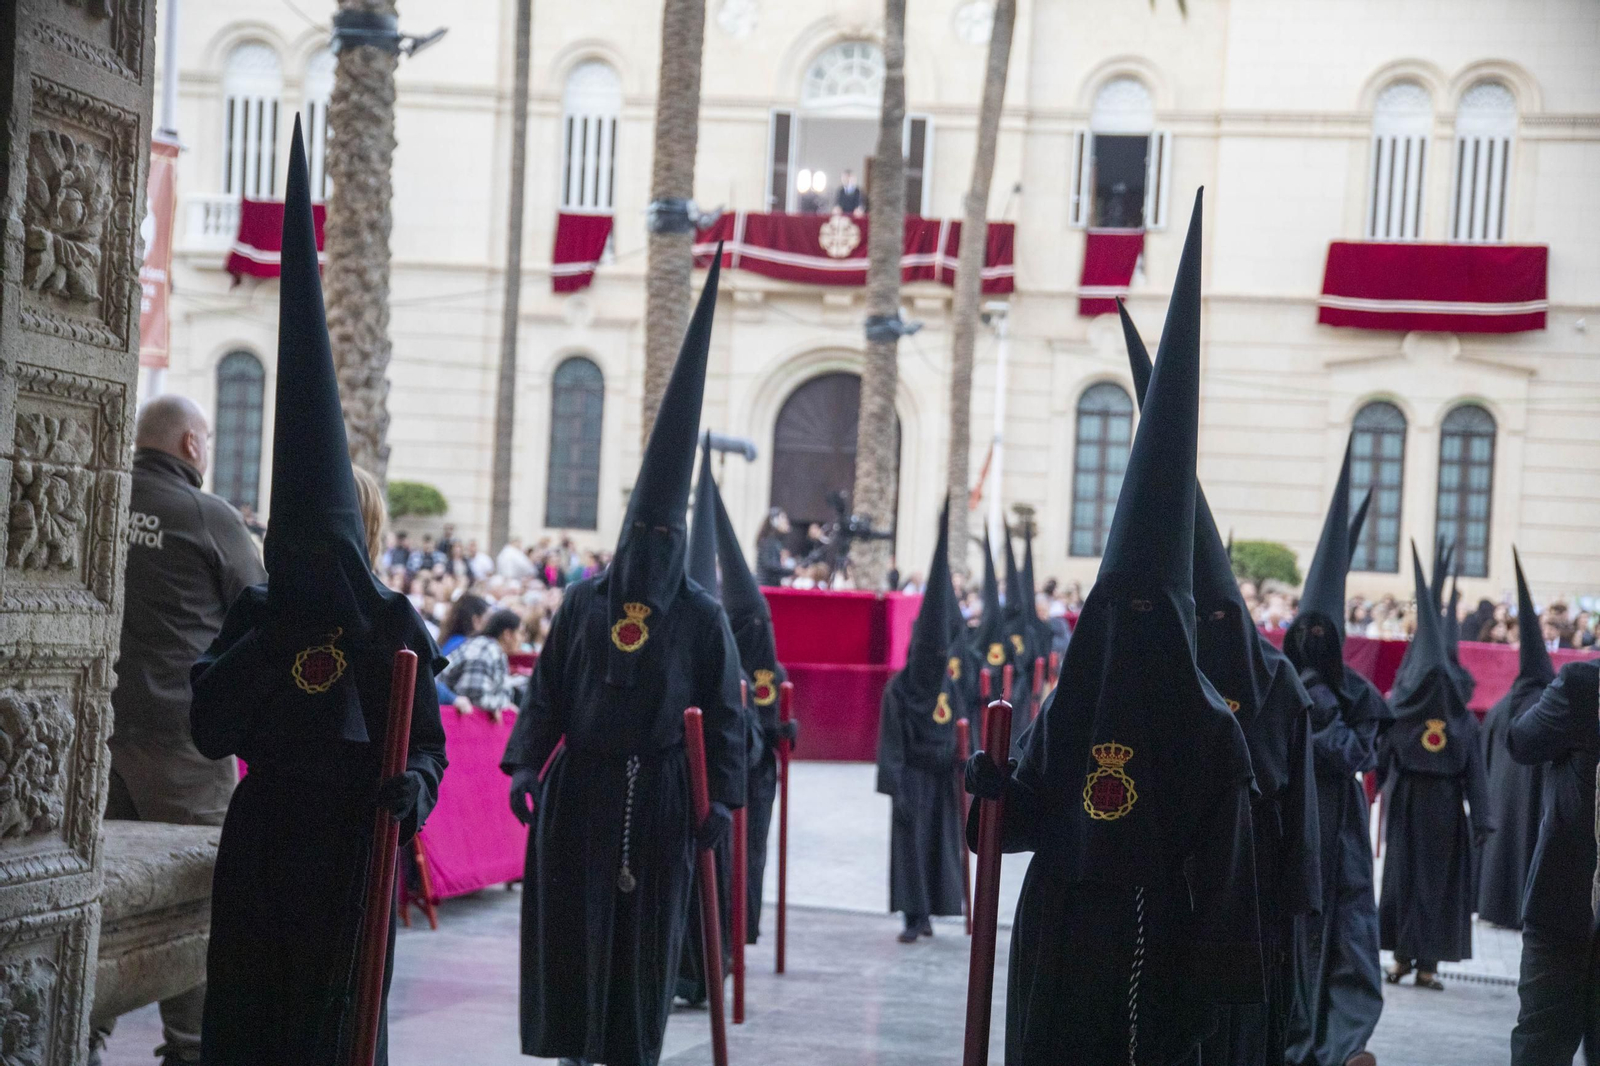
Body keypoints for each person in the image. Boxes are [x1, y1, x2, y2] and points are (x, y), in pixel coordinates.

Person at [965, 194, 1265, 1064]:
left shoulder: (1210, 730)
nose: (1128, 632)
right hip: (1057, 938)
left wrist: (1205, 998)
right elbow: (1019, 824)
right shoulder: (1069, 708)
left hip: (1151, 949)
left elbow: (1228, 885)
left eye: (1147, 617)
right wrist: (991, 791)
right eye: (1114, 613)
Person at [188, 119, 447, 1065]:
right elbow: (210, 727)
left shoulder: (390, 621)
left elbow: (428, 744)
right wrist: (266, 640)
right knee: (250, 1022)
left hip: (350, 851)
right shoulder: (256, 613)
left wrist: (412, 789)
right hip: (261, 845)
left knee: (333, 1032)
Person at [502, 254, 745, 1066]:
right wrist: (526, 764)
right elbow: (547, 690)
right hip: (583, 791)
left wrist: (722, 799)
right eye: (643, 535)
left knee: (645, 940)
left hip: (664, 795)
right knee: (576, 934)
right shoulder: (583, 604)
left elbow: (729, 713)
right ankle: (577, 1048)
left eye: (665, 538)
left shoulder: (703, 616)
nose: (653, 548)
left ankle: (631, 1051)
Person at [1121, 301, 1321, 1066]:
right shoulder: (1145, 674)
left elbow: (1298, 814)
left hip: (1252, 903)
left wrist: (1296, 907)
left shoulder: (1279, 687)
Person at [93, 395, 267, 1066]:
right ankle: (192, 1049)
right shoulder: (207, 515)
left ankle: (78, 1034)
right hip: (184, 744)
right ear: (192, 445)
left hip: (98, 734)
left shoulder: (102, 496)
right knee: (200, 895)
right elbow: (260, 613)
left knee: (95, 891)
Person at [1283, 439, 1388, 1066]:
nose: (1315, 640)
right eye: (1307, 632)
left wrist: (1319, 704)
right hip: (1292, 819)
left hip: (1340, 824)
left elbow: (1354, 754)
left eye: (1324, 632)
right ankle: (1294, 1039)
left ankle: (1344, 1041)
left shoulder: (1357, 695)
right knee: (1296, 932)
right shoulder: (1276, 684)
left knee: (1347, 932)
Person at [1377, 546, 1490, 991]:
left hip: (1433, 805)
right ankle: (1407, 958)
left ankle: (1424, 963)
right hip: (1418, 803)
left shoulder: (1436, 718)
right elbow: (1382, 754)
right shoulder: (1419, 716)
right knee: (1409, 882)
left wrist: (1482, 818)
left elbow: (1474, 771)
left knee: (1429, 886)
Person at [710, 465, 796, 944]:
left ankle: (745, 927)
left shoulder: (774, 670)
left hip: (760, 781)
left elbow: (770, 717)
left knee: (753, 854)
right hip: (726, 779)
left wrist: (784, 732)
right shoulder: (719, 666)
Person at [876, 500, 967, 943]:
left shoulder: (948, 685)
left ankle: (933, 910)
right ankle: (913, 916)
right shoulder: (898, 689)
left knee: (937, 847)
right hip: (912, 778)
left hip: (942, 777)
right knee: (912, 848)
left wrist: (966, 765)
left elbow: (961, 726)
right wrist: (895, 786)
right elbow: (891, 742)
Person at [1507, 655, 1598, 1063]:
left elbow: (1522, 741)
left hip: (1567, 897)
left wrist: (1532, 690)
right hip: (1569, 899)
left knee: (1542, 1040)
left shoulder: (1584, 683)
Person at [1476, 549, 1554, 930]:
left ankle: (1493, 904)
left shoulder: (1499, 708)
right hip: (1534, 805)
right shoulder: (1550, 709)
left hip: (1498, 804)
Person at [440, 609, 525, 715]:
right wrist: (501, 706)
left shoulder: (494, 650)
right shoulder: (485, 649)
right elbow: (474, 698)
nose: (523, 639)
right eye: (520, 633)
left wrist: (502, 705)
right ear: (507, 634)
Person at [755, 508, 791, 586]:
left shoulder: (774, 541)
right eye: (783, 518)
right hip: (766, 586)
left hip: (770, 586)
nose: (786, 521)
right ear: (774, 522)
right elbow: (770, 566)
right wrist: (792, 571)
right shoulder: (768, 541)